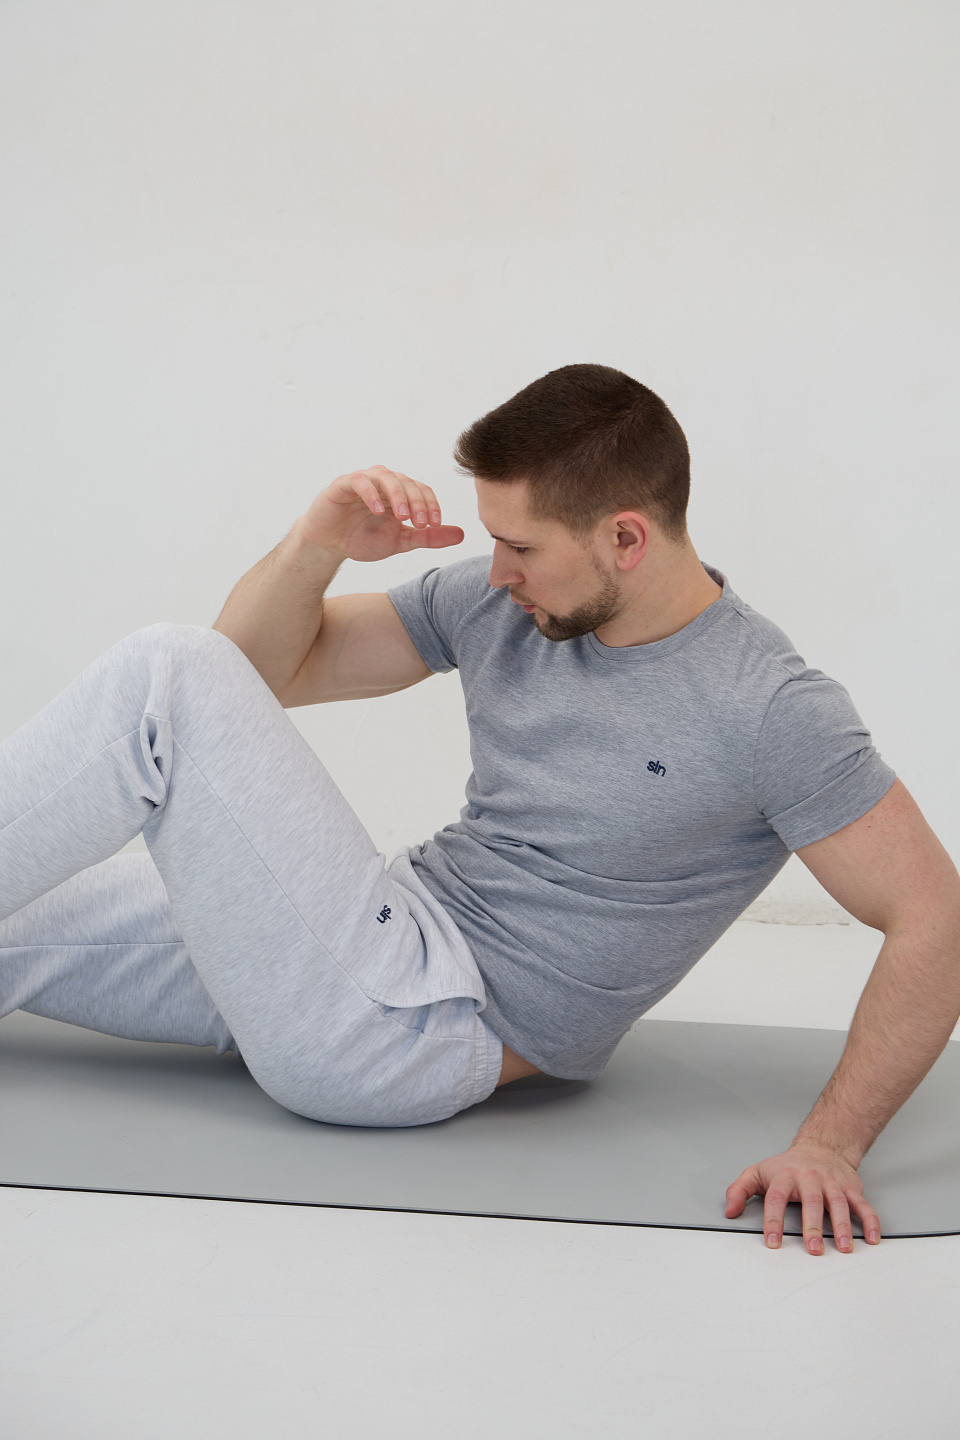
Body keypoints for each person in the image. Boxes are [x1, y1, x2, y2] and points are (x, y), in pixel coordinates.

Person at [2, 365, 958, 1259]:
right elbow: (253, 675)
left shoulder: (771, 708)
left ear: (626, 539)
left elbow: (936, 916)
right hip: (370, 941)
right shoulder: (514, 605)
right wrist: (315, 544)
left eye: (521, 546)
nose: (497, 570)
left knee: (164, 668)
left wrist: (830, 1146)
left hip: (412, 1031)